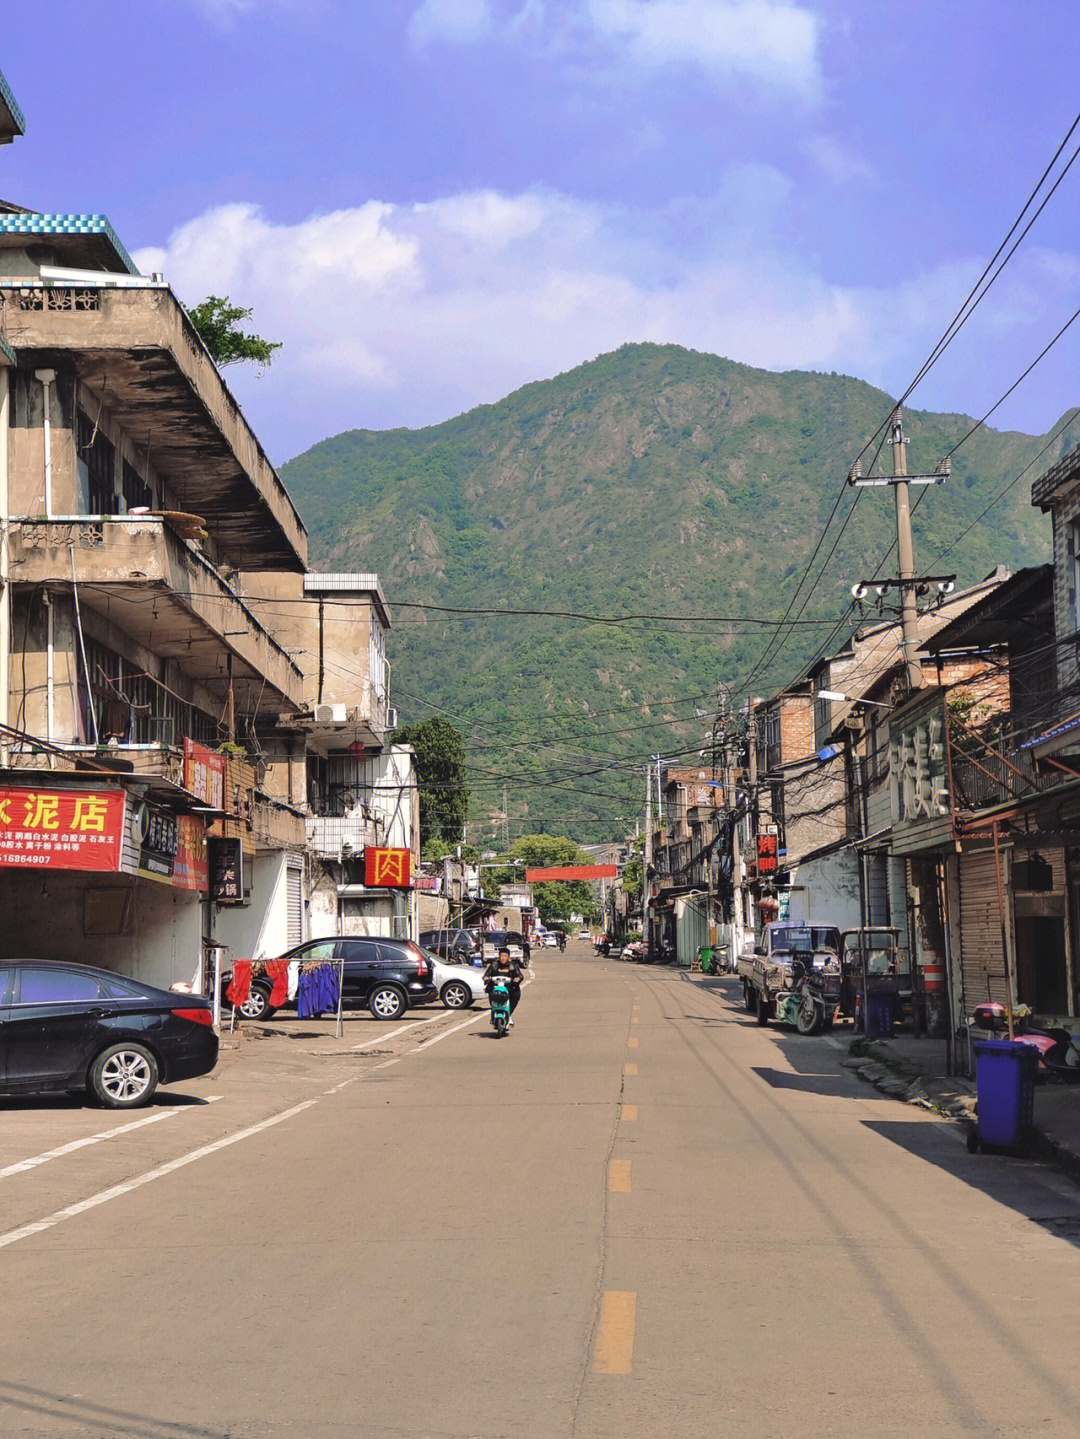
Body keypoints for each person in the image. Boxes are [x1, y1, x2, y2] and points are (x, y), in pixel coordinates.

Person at [484, 945, 524, 1025]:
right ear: (499, 957)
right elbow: (486, 975)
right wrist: (486, 978)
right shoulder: (494, 965)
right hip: (495, 987)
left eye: (505, 956)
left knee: (516, 994)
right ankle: (494, 1012)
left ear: (508, 957)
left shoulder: (513, 965)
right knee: (491, 994)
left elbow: (520, 975)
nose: (503, 958)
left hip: (509, 987)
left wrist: (517, 979)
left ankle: (509, 1014)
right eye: (502, 956)